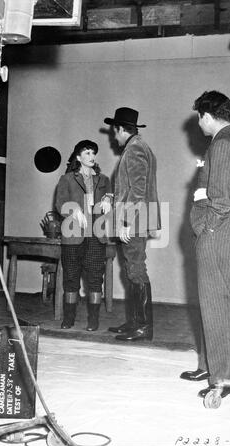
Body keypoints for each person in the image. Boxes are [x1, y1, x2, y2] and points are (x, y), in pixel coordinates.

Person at [180, 91, 230, 399]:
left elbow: (220, 201)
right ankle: (217, 370)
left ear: (207, 116)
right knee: (217, 303)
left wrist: (206, 229)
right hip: (227, 228)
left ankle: (223, 379)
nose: (198, 123)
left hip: (220, 231)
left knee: (218, 305)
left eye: (199, 117)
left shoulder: (222, 145)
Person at [104, 107, 161, 341]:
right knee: (132, 269)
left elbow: (137, 189)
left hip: (134, 221)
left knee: (136, 269)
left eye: (113, 132)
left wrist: (127, 221)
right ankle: (135, 322)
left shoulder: (134, 149)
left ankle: (143, 327)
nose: (113, 137)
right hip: (136, 219)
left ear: (120, 129)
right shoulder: (138, 146)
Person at [55, 140, 112, 331]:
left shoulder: (103, 180)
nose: (91, 156)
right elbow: (60, 203)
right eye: (87, 153)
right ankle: (68, 319)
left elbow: (112, 195)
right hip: (73, 236)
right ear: (78, 157)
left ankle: (93, 320)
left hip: (96, 235)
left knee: (95, 278)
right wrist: (73, 211)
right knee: (71, 278)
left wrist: (108, 198)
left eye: (93, 153)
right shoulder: (67, 179)